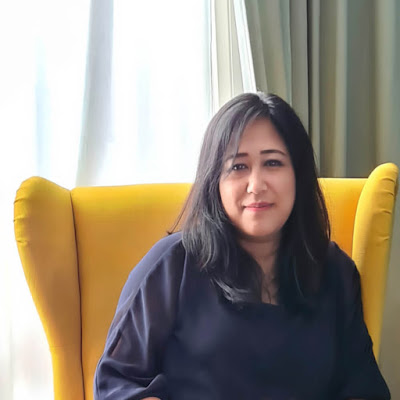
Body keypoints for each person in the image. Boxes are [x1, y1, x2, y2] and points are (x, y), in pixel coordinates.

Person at [94, 93, 391, 400]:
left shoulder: (333, 270)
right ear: (215, 180)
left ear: (298, 175)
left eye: (273, 163)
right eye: (238, 167)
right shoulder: (172, 266)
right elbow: (116, 382)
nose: (256, 185)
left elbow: (363, 388)